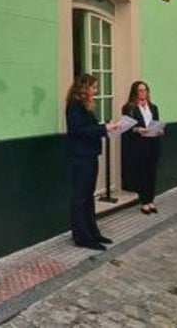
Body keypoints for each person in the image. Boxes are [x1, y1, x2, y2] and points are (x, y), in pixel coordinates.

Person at [65, 74, 120, 251]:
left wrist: (105, 125)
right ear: (84, 87)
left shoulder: (85, 106)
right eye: (93, 87)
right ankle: (82, 237)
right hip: (80, 157)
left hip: (89, 155)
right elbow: (78, 130)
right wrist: (104, 128)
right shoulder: (74, 105)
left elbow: (89, 127)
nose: (96, 91)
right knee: (80, 198)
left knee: (89, 196)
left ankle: (93, 233)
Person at [121, 80, 164, 214]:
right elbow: (126, 128)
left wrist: (160, 131)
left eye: (145, 90)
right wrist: (137, 129)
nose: (143, 92)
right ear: (135, 92)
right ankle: (144, 202)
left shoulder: (153, 107)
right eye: (140, 90)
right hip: (138, 145)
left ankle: (151, 200)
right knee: (141, 173)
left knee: (152, 173)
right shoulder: (129, 108)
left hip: (153, 143)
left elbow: (156, 123)